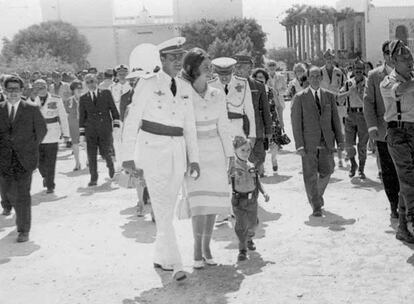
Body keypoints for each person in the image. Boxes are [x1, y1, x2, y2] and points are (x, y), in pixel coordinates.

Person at [121, 37, 200, 282]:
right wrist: (127, 158)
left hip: (177, 152)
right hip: (152, 150)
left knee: (167, 205)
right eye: (173, 57)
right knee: (162, 206)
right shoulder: (147, 84)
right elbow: (132, 122)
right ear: (162, 59)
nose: (178, 62)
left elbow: (190, 127)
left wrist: (194, 158)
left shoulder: (186, 87)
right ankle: (176, 264)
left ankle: (160, 256)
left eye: (181, 57)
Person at [181, 48, 233, 269]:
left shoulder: (217, 93)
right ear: (192, 67)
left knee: (212, 205)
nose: (209, 67)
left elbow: (224, 125)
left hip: (216, 152)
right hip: (194, 154)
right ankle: (196, 248)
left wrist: (230, 156)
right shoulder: (183, 93)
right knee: (198, 204)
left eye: (210, 64)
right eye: (205, 64)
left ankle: (206, 247)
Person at [291, 66, 344, 217]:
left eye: (317, 76)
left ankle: (317, 195)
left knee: (328, 171)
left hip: (327, 141)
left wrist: (340, 141)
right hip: (308, 143)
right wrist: (299, 145)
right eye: (312, 76)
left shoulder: (329, 96)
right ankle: (316, 205)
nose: (315, 78)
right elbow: (296, 124)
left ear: (321, 78)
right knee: (310, 175)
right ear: (307, 78)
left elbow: (335, 120)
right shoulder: (300, 97)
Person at [0, 75, 47, 242]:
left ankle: (23, 230)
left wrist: (29, 148)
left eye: (16, 89)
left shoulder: (32, 109)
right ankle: (16, 211)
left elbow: (41, 131)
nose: (13, 93)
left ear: (22, 91)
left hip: (25, 160)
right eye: (10, 89)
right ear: (5, 91)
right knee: (8, 192)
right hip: (4, 160)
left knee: (23, 195)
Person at [380, 40, 414, 243]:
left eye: (410, 57)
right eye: (404, 58)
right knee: (409, 178)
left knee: (406, 182)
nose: (410, 61)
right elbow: (400, 90)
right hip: (397, 134)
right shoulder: (387, 82)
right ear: (393, 61)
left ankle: (403, 228)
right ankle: (412, 220)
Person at [364, 40, 400, 219]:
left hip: (405, 130)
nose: (391, 56)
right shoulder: (373, 75)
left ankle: (406, 205)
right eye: (388, 53)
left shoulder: (408, 72)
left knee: (406, 169)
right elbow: (368, 103)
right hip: (383, 131)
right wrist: (371, 128)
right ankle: (394, 204)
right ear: (383, 54)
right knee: (388, 170)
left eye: (395, 53)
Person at [231, 136, 269, 261]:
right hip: (238, 201)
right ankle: (242, 250)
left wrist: (264, 193)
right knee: (241, 225)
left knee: (253, 223)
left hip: (252, 200)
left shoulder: (251, 165)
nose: (246, 153)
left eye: (248, 150)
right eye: (242, 150)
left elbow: (257, 181)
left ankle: (249, 238)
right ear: (235, 150)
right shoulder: (232, 167)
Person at [233, 55, 272, 177]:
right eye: (239, 67)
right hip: (236, 128)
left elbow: (266, 110)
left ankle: (257, 181)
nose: (248, 70)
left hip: (256, 128)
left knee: (259, 157)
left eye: (248, 67)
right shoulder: (229, 85)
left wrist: (269, 130)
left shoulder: (258, 86)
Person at [79, 73, 120, 186]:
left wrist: (116, 125)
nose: (90, 84)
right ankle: (93, 178)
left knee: (106, 152)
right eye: (87, 82)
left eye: (92, 81)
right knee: (91, 155)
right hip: (90, 130)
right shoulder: (83, 98)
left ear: (96, 81)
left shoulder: (106, 93)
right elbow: (82, 116)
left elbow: (113, 109)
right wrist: (82, 134)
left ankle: (111, 168)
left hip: (104, 128)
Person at [30, 79, 70, 193]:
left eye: (42, 87)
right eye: (37, 88)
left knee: (51, 160)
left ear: (47, 87)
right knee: (38, 161)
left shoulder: (56, 99)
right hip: (36, 133)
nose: (40, 90)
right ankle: (45, 176)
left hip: (52, 132)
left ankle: (50, 185)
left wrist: (66, 134)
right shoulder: (31, 100)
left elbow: (62, 116)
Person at [209, 57, 256, 140]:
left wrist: (252, 135)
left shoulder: (243, 83)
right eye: (221, 75)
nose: (224, 78)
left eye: (227, 75)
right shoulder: (210, 85)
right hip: (217, 132)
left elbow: (250, 111)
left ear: (232, 72)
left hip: (237, 131)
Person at [339, 60, 369, 179]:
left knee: (362, 145)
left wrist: (361, 93)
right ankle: (353, 164)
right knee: (348, 144)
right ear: (353, 69)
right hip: (350, 115)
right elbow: (339, 98)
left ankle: (361, 168)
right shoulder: (348, 83)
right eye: (356, 69)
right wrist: (348, 92)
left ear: (364, 70)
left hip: (363, 115)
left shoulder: (368, 83)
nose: (358, 71)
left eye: (361, 69)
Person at [252, 68, 282, 173]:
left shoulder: (271, 90)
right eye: (257, 77)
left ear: (266, 79)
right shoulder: (253, 91)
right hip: (260, 121)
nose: (259, 79)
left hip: (273, 120)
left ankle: (274, 159)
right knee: (261, 145)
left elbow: (278, 106)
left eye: (261, 77)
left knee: (274, 143)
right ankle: (261, 167)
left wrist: (281, 121)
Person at [320, 50, 346, 168]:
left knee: (339, 129)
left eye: (330, 58)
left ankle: (341, 156)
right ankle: (330, 157)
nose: (329, 60)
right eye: (326, 58)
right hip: (324, 104)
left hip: (337, 103)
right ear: (324, 59)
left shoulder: (339, 72)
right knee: (327, 130)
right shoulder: (319, 72)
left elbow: (344, 86)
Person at [65, 80, 84, 171]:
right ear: (73, 90)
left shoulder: (86, 98)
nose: (79, 90)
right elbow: (66, 113)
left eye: (80, 88)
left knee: (86, 142)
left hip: (84, 124)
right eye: (77, 88)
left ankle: (89, 160)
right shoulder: (69, 100)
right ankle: (77, 163)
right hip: (73, 124)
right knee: (75, 143)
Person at [266, 60, 287, 129]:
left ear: (276, 67)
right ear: (267, 67)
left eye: (273, 65)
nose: (272, 67)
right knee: (270, 122)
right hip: (268, 102)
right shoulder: (265, 77)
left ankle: (282, 136)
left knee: (280, 121)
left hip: (279, 102)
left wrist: (277, 92)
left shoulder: (281, 76)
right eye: (270, 65)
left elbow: (285, 90)